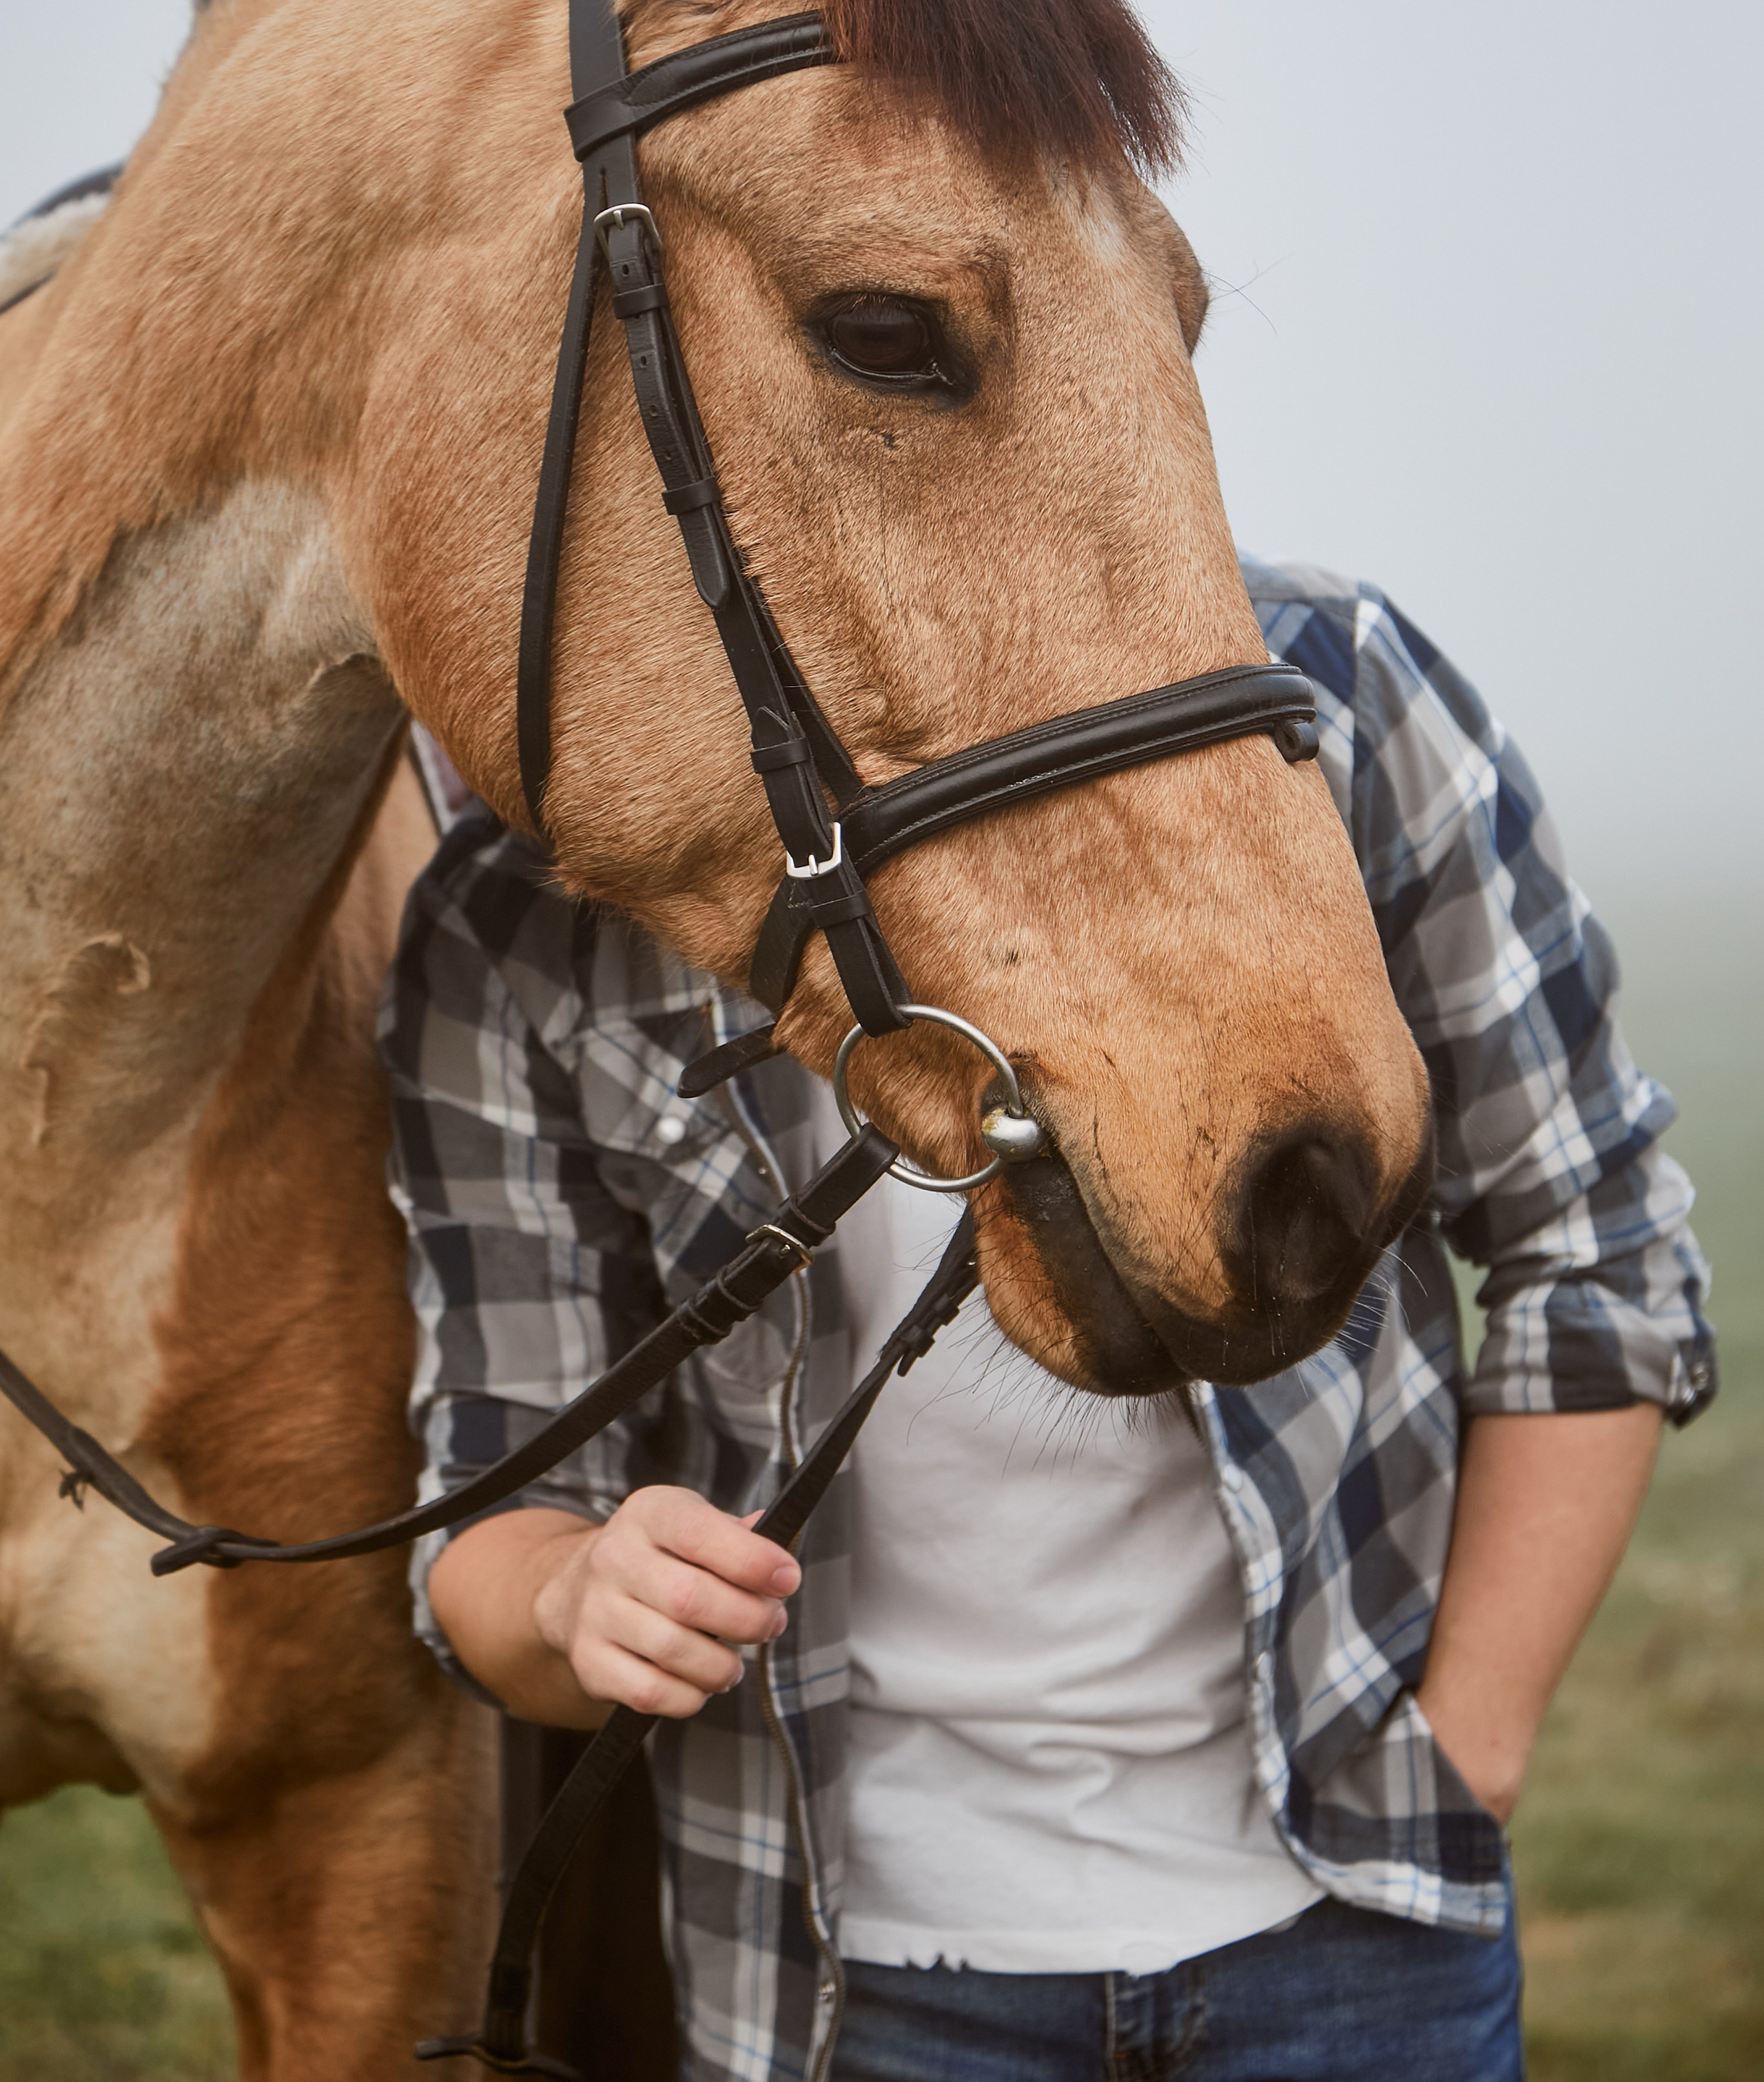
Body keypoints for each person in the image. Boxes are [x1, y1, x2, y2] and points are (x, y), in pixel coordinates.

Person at [384, 558, 1713, 2082]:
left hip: (1352, 1945)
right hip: (846, 1989)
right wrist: (572, 1597)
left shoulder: (1321, 699)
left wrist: (1469, 1742)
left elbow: (1593, 1249)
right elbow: (485, 1519)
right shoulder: (515, 920)